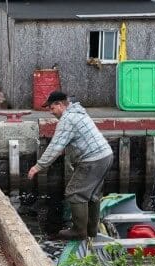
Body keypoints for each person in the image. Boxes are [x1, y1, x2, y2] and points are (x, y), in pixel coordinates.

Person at [28, 91, 113, 240]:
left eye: (51, 108)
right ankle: (91, 232)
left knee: (75, 193)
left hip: (92, 160)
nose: (50, 112)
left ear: (60, 104)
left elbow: (55, 146)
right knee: (92, 195)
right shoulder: (78, 112)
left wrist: (38, 166)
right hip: (105, 156)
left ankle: (79, 231)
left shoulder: (67, 119)